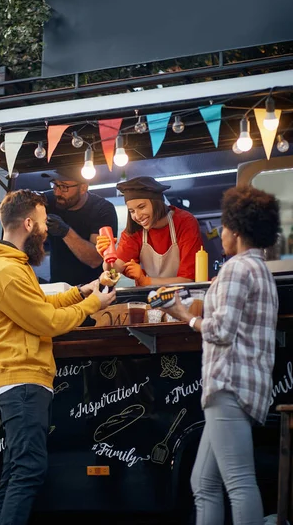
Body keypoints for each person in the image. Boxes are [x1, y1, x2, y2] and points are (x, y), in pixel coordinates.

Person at [0, 188, 116, 525]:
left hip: (22, 380)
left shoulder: (10, 267)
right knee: (28, 470)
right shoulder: (6, 272)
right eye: (41, 221)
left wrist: (82, 291)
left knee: (15, 472)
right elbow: (47, 322)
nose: (44, 228)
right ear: (27, 222)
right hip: (21, 381)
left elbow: (41, 305)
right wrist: (93, 305)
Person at [160, 185, 280, 525]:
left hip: (226, 384)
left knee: (238, 482)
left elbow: (221, 330)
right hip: (248, 386)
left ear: (237, 231)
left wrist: (185, 315)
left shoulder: (234, 269)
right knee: (203, 482)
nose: (221, 234)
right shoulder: (262, 272)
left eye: (225, 227)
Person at [96, 176, 202, 287]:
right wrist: (107, 258)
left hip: (184, 296)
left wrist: (145, 281)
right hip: (149, 297)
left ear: (157, 203)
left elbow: (188, 280)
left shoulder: (185, 222)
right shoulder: (134, 232)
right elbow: (114, 272)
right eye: (131, 211)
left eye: (141, 207)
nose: (137, 216)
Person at [44, 166, 118, 286]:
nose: (57, 192)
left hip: (94, 289)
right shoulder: (50, 200)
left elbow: (95, 259)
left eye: (64, 187)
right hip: (58, 288)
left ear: (83, 188)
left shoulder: (102, 209)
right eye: (55, 185)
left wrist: (66, 232)